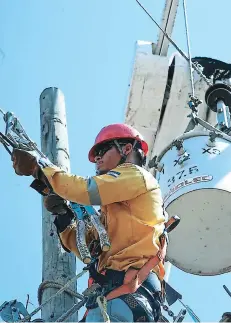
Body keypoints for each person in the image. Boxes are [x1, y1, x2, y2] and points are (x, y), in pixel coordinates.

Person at [11, 123, 175, 322]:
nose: (97, 158)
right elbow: (90, 251)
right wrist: (64, 216)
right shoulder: (115, 211)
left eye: (103, 150)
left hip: (127, 295)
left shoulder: (137, 175)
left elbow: (87, 189)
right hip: (117, 299)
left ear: (127, 149)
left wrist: (40, 168)